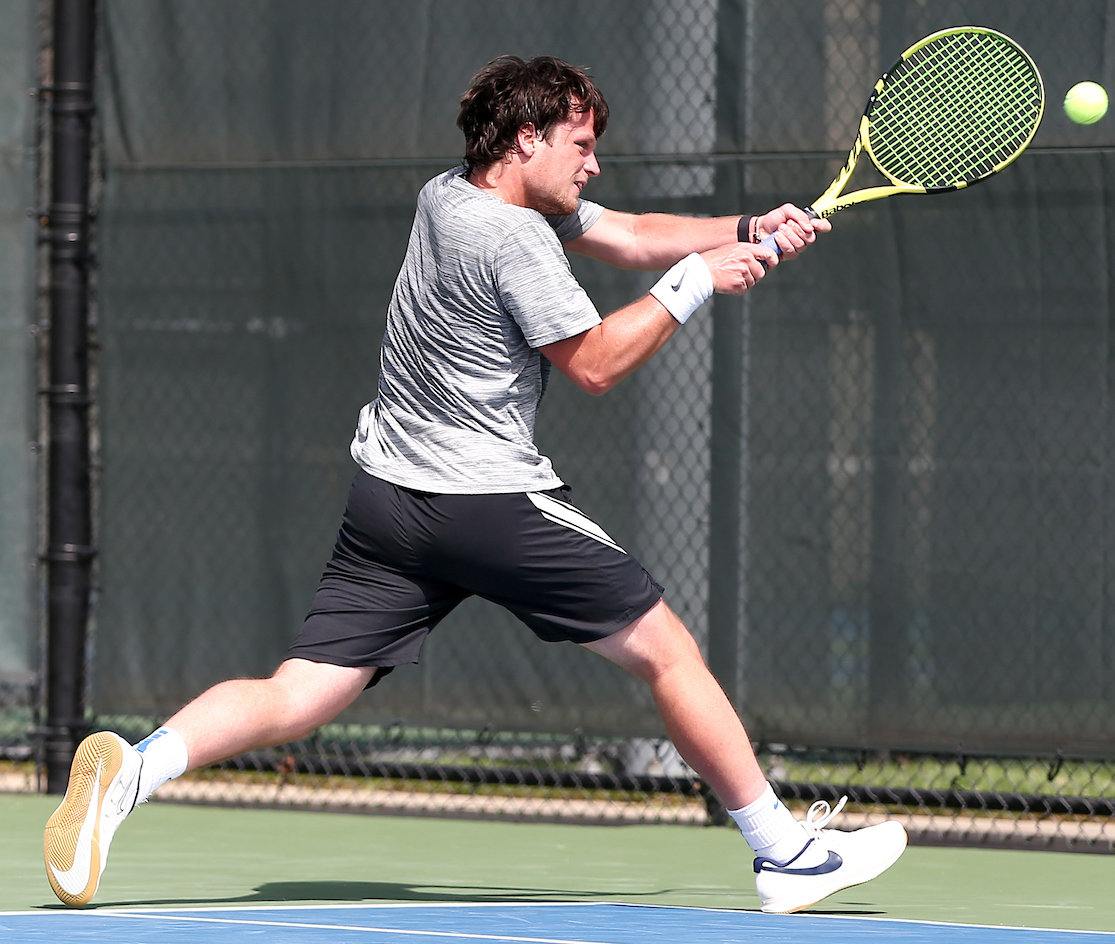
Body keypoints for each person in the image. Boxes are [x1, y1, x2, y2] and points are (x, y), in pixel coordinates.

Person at [44, 55, 906, 913]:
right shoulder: (516, 239)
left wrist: (747, 228)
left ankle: (135, 766)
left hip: (389, 500)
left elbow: (634, 233)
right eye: (582, 143)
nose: (594, 163)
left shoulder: (448, 195)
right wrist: (694, 285)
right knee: (667, 652)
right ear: (528, 138)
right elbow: (596, 366)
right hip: (484, 504)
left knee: (298, 690)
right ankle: (785, 853)